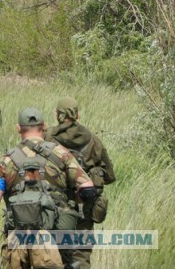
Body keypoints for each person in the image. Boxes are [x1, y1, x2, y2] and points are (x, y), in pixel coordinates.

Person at [0, 107, 98, 269]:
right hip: (55, 238)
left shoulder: (7, 160)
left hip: (18, 238)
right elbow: (88, 190)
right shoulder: (61, 154)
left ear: (18, 128)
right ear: (44, 126)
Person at [45, 97, 116, 269]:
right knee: (81, 256)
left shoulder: (47, 137)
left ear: (58, 115)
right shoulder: (93, 140)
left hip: (56, 208)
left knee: (53, 255)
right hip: (84, 207)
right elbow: (109, 175)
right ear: (76, 114)